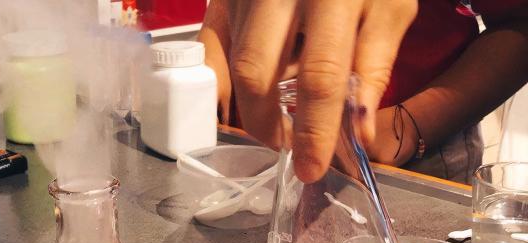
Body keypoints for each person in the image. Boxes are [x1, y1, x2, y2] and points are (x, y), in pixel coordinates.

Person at [198, 0, 528, 183]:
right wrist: (214, 39)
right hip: (251, 152)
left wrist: (409, 126)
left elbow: (520, 21)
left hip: (404, 158)